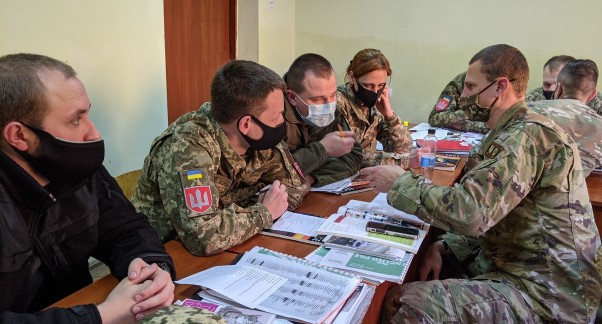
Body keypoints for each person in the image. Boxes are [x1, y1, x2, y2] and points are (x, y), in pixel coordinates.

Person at [360, 44, 602, 324]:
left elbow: (472, 214)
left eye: (472, 87)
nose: (463, 96)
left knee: (408, 310)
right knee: (429, 262)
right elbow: (494, 210)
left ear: (500, 87)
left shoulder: (524, 138)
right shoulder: (513, 131)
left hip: (550, 300)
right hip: (526, 272)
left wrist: (400, 183)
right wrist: (445, 245)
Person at [0, 53, 176, 324]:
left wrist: (149, 266)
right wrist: (103, 319)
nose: (94, 133)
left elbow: (126, 228)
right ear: (19, 135)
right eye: (75, 120)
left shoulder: (74, 168)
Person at [132, 60, 306, 256]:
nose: (282, 122)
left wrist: (237, 215)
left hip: (231, 248)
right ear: (246, 124)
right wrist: (263, 212)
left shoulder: (259, 138)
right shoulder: (187, 147)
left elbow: (294, 189)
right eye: (276, 117)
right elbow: (204, 238)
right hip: (163, 254)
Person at [283, 53, 363, 188]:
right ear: (292, 97)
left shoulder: (333, 111)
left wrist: (312, 177)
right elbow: (273, 173)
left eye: (333, 95)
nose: (328, 105)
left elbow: (353, 156)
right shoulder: (273, 115)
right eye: (317, 99)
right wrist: (323, 149)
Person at [529, 59, 602, 175]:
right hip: (577, 190)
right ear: (593, 94)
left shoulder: (529, 110)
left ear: (558, 89)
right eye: (546, 84)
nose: (550, 89)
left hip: (528, 186)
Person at [337, 49, 413, 168]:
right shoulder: (338, 103)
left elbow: (403, 149)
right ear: (352, 78)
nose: (374, 92)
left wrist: (389, 115)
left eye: (381, 85)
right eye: (368, 85)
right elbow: (348, 157)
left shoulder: (375, 106)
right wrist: (401, 161)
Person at [526, 55, 602, 124]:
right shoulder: (534, 98)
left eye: (557, 83)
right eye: (547, 84)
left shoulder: (596, 101)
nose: (552, 89)